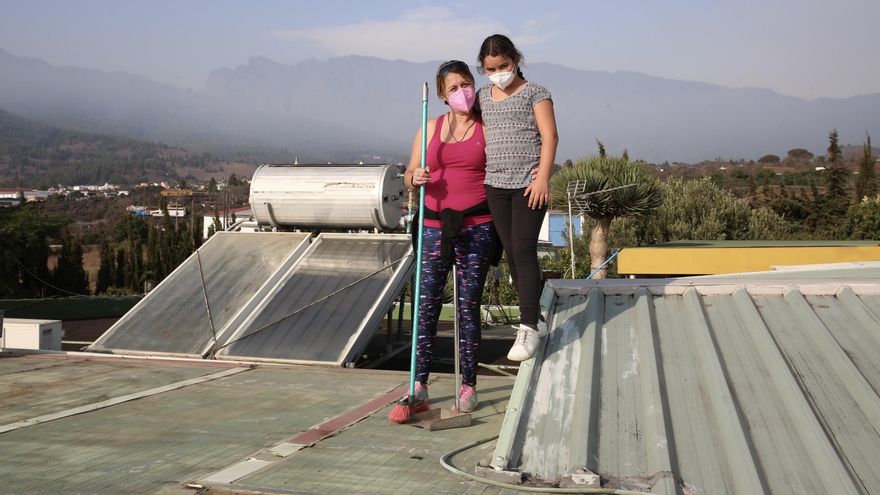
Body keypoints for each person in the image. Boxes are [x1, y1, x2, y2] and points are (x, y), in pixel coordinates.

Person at [402, 60, 498, 413]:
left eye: (466, 84)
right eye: (454, 88)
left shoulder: (488, 127)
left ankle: (468, 385)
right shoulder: (429, 128)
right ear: (443, 95)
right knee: (425, 304)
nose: (462, 92)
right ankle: (419, 383)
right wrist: (415, 178)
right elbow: (408, 174)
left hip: (476, 227)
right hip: (433, 227)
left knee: (467, 307)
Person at [476, 34, 559, 361]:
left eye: (504, 65)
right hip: (495, 185)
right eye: (490, 69)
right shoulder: (482, 97)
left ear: (515, 60)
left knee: (523, 249)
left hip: (528, 185)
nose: (498, 73)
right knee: (511, 252)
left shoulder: (536, 93)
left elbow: (550, 137)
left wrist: (542, 178)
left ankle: (528, 327)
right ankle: (536, 314)